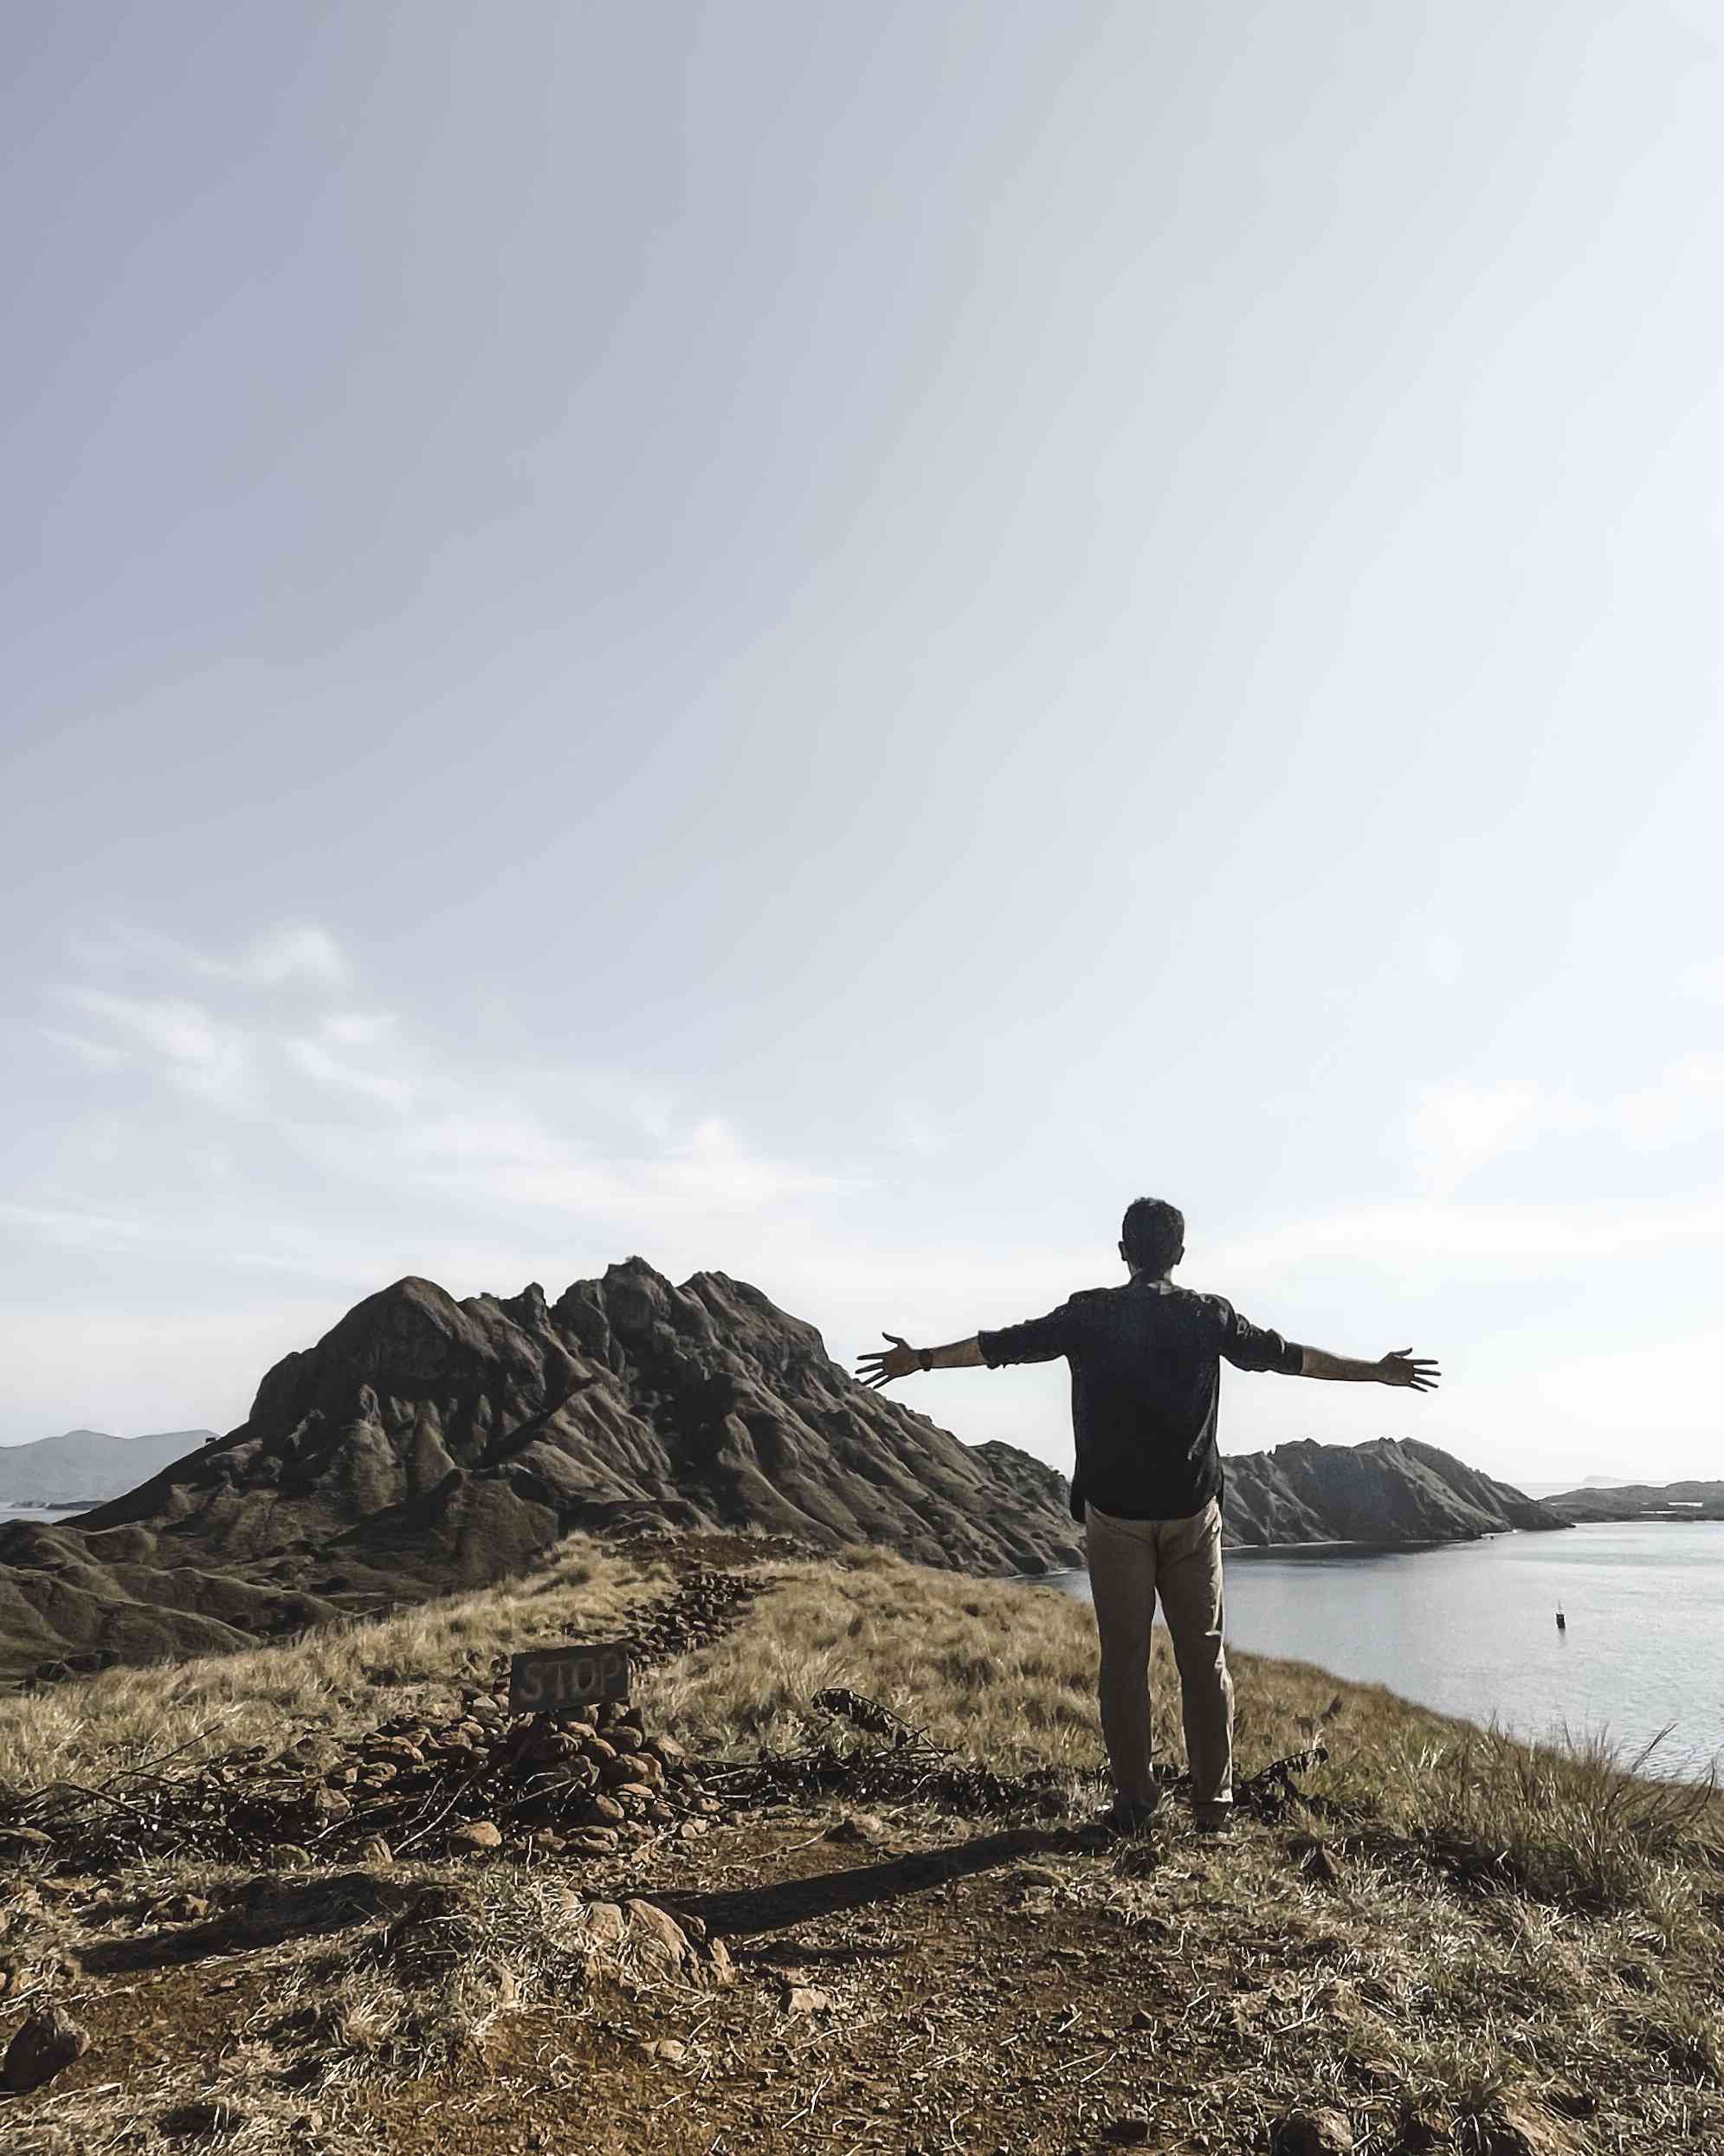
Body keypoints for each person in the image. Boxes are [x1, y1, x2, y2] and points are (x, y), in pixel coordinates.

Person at [856, 1196, 1439, 1836]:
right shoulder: (1206, 1315)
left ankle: (1135, 1804)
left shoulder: (1089, 1314)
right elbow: (1290, 1357)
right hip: (1192, 1515)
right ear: (1180, 1254)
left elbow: (1002, 1346)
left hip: (1115, 1517)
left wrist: (922, 1359)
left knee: (1124, 1663)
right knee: (1204, 1661)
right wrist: (1375, 1372)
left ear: (1123, 1252)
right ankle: (1212, 1811)